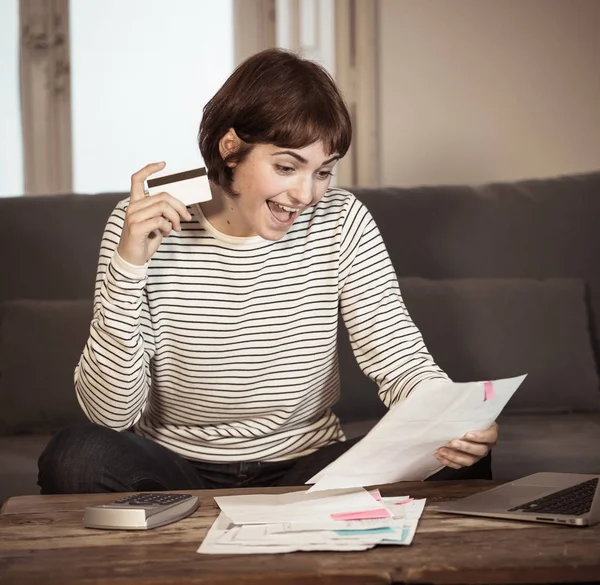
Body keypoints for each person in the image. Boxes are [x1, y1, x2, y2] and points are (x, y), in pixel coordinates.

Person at [38, 48, 498, 494]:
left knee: (459, 460)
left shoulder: (341, 218)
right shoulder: (141, 222)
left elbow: (396, 354)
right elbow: (111, 417)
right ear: (231, 148)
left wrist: (452, 421)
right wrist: (128, 267)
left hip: (309, 464)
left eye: (323, 172)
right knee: (77, 457)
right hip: (177, 467)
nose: (305, 194)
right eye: (286, 166)